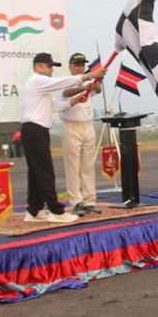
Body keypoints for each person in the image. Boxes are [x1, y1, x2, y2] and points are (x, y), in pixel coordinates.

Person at [21, 53, 106, 223]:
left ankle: (34, 210)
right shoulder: (36, 80)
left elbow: (56, 106)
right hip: (34, 129)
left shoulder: (41, 88)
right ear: (39, 66)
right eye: (49, 66)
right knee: (45, 171)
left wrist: (73, 101)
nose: (52, 70)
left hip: (37, 130)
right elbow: (61, 84)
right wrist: (90, 76)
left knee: (36, 172)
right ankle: (56, 211)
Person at [56, 53, 102, 216]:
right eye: (76, 64)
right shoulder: (65, 81)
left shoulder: (89, 80)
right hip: (71, 126)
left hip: (87, 125)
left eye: (82, 65)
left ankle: (90, 200)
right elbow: (67, 92)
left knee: (88, 165)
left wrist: (97, 80)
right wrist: (84, 87)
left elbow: (98, 89)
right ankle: (76, 201)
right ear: (70, 66)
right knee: (73, 166)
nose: (79, 67)